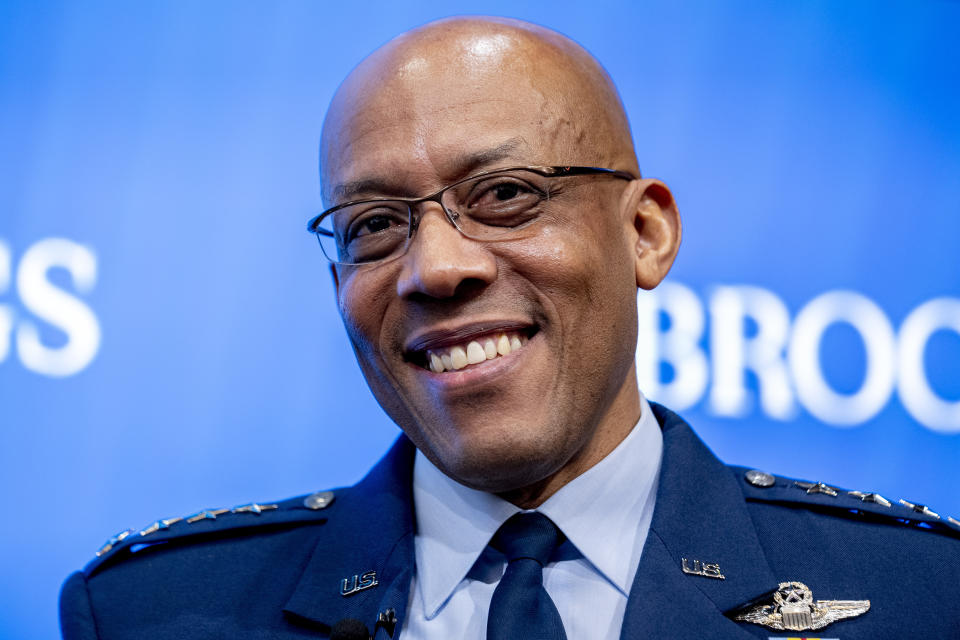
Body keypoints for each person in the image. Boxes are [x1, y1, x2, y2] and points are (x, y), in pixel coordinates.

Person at [60, 16, 959, 640]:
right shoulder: (148, 614)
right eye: (374, 224)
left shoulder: (923, 599)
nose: (435, 268)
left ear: (644, 234)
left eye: (505, 197)